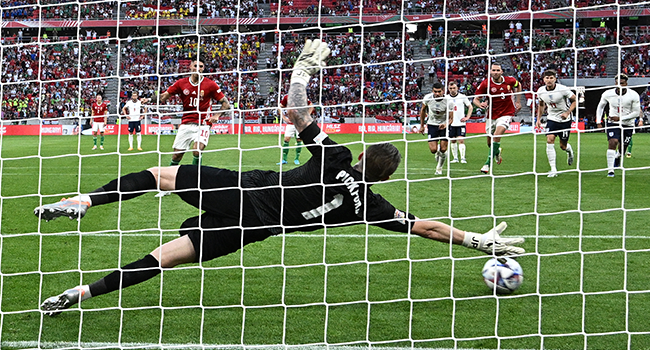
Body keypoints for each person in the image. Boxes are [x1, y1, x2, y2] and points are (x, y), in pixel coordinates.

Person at [34, 39, 525, 316]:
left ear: (364, 155)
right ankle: (81, 295)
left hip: (251, 189)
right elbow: (427, 228)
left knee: (159, 174)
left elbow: (295, 111)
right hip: (254, 230)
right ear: (384, 176)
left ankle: (85, 202)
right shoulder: (370, 207)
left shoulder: (335, 156)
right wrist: (476, 240)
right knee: (163, 258)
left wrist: (302, 71)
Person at [156, 58, 230, 196]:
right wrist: (150, 100)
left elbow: (226, 103)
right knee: (177, 155)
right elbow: (164, 96)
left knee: (197, 150)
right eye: (196, 65)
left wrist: (217, 116)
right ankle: (167, 187)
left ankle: (195, 183)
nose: (198, 68)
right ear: (190, 67)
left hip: (203, 124)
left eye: (201, 66)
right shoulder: (181, 83)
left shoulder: (210, 85)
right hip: (186, 123)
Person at [473, 62, 522, 174]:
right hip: (492, 114)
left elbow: (518, 85)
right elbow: (476, 99)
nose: (495, 72)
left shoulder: (510, 81)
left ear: (501, 72)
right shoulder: (486, 84)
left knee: (496, 135)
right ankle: (497, 151)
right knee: (490, 143)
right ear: (490, 71)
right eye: (493, 70)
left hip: (507, 113)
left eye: (497, 70)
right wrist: (479, 104)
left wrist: (518, 101)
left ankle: (487, 164)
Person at [596, 73, 642, 177]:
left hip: (628, 124)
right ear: (615, 83)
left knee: (623, 149)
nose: (620, 85)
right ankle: (610, 170)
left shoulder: (633, 95)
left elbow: (635, 113)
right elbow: (600, 107)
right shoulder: (607, 93)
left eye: (622, 83)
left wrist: (621, 118)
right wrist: (598, 121)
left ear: (626, 83)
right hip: (613, 122)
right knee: (613, 142)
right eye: (618, 83)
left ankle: (618, 156)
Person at [535, 69, 576, 178]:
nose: (549, 80)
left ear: (555, 79)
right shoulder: (540, 91)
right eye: (547, 78)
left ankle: (569, 150)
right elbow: (541, 105)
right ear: (543, 79)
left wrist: (567, 113)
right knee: (550, 139)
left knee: (563, 146)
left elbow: (575, 100)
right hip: (552, 118)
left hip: (564, 120)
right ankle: (553, 169)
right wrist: (538, 119)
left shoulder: (563, 89)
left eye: (551, 78)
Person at [419, 82, 452, 176]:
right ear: (432, 91)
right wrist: (422, 125)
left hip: (444, 125)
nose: (437, 94)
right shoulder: (428, 98)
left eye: (439, 92)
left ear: (443, 91)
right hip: (432, 124)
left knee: (443, 149)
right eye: (435, 91)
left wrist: (446, 124)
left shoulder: (448, 101)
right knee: (433, 150)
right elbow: (423, 110)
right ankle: (438, 153)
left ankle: (439, 168)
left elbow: (451, 118)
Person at [277, 94, 313, 165]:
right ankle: (284, 159)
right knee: (286, 139)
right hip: (290, 123)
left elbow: (311, 105)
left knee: (299, 139)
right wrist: (284, 118)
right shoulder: (287, 97)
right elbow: (279, 107)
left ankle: (296, 159)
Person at [447, 81, 473, 164]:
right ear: (448, 89)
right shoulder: (446, 98)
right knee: (453, 140)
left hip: (461, 122)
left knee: (461, 140)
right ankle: (455, 158)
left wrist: (468, 117)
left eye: (454, 88)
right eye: (450, 88)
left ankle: (463, 158)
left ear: (457, 88)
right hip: (451, 123)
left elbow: (470, 106)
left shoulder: (462, 97)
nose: (452, 90)